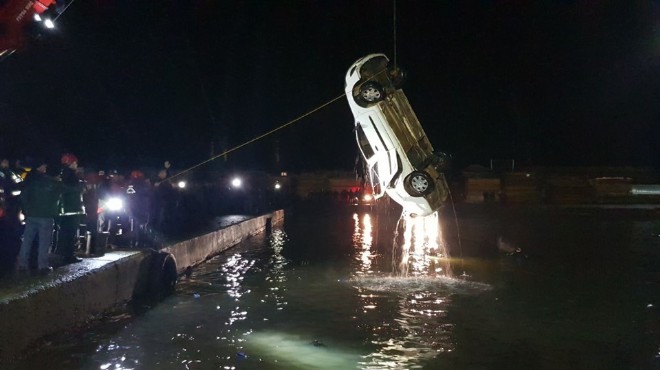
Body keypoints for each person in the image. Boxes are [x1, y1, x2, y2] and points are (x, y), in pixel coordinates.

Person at [16, 160, 61, 274]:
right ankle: (42, 266)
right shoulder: (50, 182)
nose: (45, 168)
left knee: (27, 240)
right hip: (45, 216)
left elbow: (23, 196)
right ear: (40, 167)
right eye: (44, 166)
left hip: (32, 215)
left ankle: (22, 264)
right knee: (44, 242)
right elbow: (59, 194)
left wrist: (26, 210)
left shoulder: (30, 180)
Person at [55, 153, 86, 264]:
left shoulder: (63, 174)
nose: (76, 164)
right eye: (75, 162)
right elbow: (67, 190)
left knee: (65, 234)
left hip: (66, 211)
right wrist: (80, 188)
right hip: (71, 210)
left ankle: (63, 255)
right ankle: (68, 256)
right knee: (69, 234)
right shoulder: (70, 175)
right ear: (70, 163)